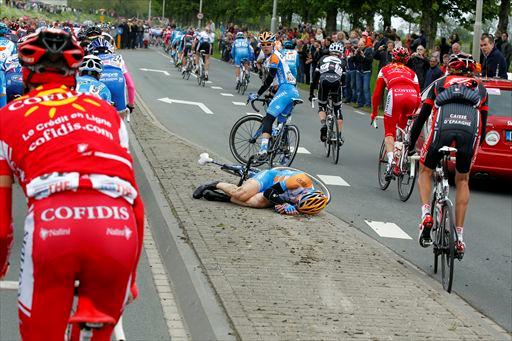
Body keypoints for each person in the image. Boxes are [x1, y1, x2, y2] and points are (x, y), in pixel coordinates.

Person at [0, 27, 144, 340]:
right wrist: (131, 278)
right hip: (117, 229)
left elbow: (1, 227)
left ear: (25, 72)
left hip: (54, 227)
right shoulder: (107, 113)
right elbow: (135, 202)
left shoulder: (6, 117)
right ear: (74, 72)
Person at [408, 53, 488, 255]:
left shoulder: (439, 83)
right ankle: (459, 237)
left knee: (425, 171)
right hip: (469, 132)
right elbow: (484, 125)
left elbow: (422, 117)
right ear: (471, 70)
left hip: (441, 129)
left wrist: (411, 143)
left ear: (450, 68)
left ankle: (426, 214)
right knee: (462, 180)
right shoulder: (480, 88)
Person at [246, 32, 300, 159]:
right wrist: (270, 93)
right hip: (290, 90)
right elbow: (277, 82)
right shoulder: (276, 56)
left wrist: (257, 93)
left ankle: (263, 150)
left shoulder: (274, 57)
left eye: (268, 45)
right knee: (281, 122)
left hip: (286, 89)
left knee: (269, 118)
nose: (265, 47)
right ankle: (284, 149)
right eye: (263, 45)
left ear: (273, 45)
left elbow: (270, 78)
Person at [371, 47, 420, 180]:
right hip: (413, 97)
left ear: (392, 57)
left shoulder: (385, 69)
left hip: (396, 94)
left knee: (390, 131)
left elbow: (377, 94)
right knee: (404, 130)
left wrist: (374, 112)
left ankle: (392, 161)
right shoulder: (411, 72)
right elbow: (419, 94)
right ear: (407, 59)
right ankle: (401, 160)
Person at [193, 168, 328, 216]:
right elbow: (269, 192)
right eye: (297, 200)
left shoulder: (307, 204)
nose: (294, 202)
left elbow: (276, 202)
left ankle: (221, 198)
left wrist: (284, 209)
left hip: (274, 194)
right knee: (241, 194)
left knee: (254, 203)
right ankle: (215, 184)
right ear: (304, 193)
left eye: (297, 205)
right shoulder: (301, 181)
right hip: (269, 180)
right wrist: (284, 203)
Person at [87, 37, 136, 118]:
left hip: (98, 88)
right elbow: (131, 86)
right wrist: (130, 105)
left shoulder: (89, 60)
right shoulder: (118, 58)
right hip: (117, 86)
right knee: (119, 125)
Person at [309, 41, 346, 142]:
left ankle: (323, 125)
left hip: (324, 81)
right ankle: (339, 136)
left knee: (322, 106)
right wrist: (344, 90)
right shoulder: (343, 61)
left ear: (330, 52)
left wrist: (311, 93)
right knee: (338, 109)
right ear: (340, 53)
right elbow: (344, 79)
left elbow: (315, 77)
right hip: (336, 83)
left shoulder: (322, 59)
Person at [353, 38, 373, 108]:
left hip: (366, 71)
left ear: (364, 45)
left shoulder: (369, 51)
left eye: (361, 45)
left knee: (366, 88)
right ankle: (360, 103)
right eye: (359, 45)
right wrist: (354, 55)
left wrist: (363, 56)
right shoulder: (357, 51)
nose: (360, 46)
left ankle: (368, 104)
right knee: (359, 88)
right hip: (359, 71)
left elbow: (370, 61)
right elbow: (353, 61)